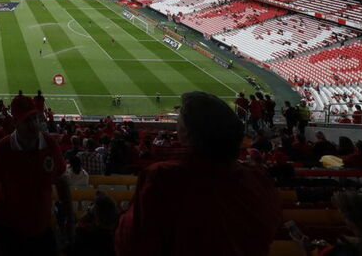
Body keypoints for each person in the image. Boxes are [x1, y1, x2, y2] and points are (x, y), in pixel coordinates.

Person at [115, 91, 282, 256]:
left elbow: (131, 244)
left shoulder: (163, 178)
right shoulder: (259, 181)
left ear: (187, 132)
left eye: (179, 118)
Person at [0, 94, 72, 255]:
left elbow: (62, 181)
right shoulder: (2, 149)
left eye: (35, 118)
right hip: (8, 231)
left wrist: (70, 216)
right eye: (27, 121)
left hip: (41, 227)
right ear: (15, 123)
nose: (34, 125)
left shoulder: (50, 144)